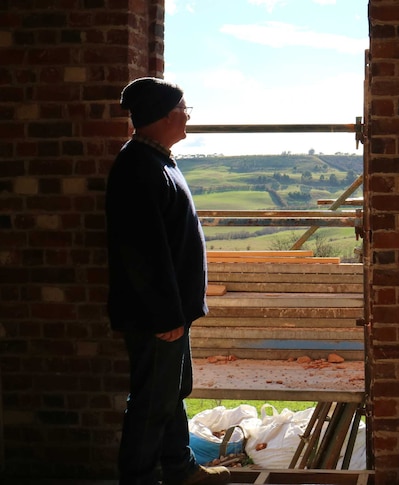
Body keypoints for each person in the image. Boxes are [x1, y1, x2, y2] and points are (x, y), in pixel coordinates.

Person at [105, 77, 230, 485]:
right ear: (164, 116)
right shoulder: (139, 168)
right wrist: (164, 315)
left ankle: (179, 468)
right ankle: (138, 478)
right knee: (150, 401)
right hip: (155, 315)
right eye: (183, 107)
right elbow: (143, 253)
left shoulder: (155, 161)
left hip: (168, 311)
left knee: (170, 392)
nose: (188, 115)